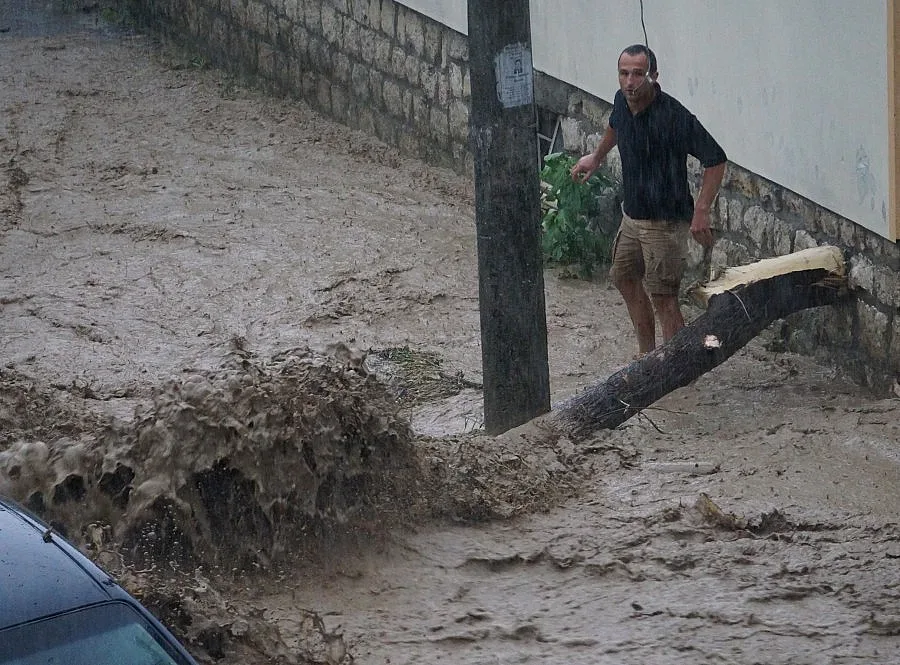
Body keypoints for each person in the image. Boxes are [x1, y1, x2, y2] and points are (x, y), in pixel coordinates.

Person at [571, 44, 727, 356]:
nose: (630, 82)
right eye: (624, 73)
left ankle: (678, 370)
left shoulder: (674, 116)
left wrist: (701, 211)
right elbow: (616, 125)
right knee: (624, 277)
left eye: (638, 74)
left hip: (665, 222)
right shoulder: (621, 101)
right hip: (632, 216)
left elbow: (716, 159)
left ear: (653, 77)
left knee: (664, 297)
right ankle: (647, 357)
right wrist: (596, 157)